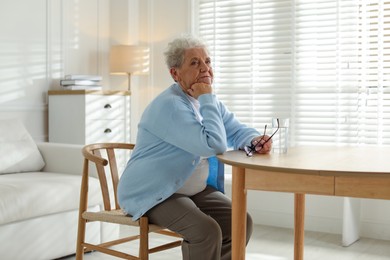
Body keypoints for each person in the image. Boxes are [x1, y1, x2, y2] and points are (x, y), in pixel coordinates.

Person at [117, 35, 272, 260]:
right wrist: (207, 98)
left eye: (207, 61)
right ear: (175, 73)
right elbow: (214, 145)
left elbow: (236, 130)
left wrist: (255, 140)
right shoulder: (170, 105)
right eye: (194, 63)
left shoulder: (207, 100)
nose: (205, 68)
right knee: (205, 231)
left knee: (240, 222)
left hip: (191, 189)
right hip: (154, 192)